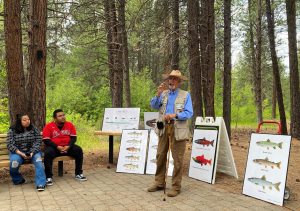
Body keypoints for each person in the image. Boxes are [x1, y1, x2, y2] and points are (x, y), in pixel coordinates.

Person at [147, 70, 193, 197]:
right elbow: (154, 106)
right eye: (170, 79)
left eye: (174, 79)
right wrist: (158, 94)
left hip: (177, 129)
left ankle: (176, 187)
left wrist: (175, 115)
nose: (171, 81)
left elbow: (189, 113)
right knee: (160, 155)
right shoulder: (164, 94)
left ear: (179, 82)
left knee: (177, 159)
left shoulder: (185, 95)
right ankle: (159, 183)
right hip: (163, 128)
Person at [42, 109, 87, 186]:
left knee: (78, 150)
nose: (63, 117)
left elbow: (73, 138)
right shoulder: (48, 126)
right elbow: (46, 140)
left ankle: (78, 173)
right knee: (48, 153)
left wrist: (68, 146)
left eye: (63, 115)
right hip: (54, 148)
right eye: (60, 116)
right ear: (54, 118)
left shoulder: (69, 125)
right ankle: (48, 177)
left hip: (67, 147)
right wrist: (57, 146)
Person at [7, 114, 46, 191]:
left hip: (33, 151)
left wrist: (32, 152)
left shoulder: (34, 128)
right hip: (18, 152)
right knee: (14, 163)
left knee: (39, 163)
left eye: (28, 119)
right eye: (24, 120)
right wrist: (20, 153)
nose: (27, 121)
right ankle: (18, 179)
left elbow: (38, 141)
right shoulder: (12, 130)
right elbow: (10, 144)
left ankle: (40, 183)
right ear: (19, 121)